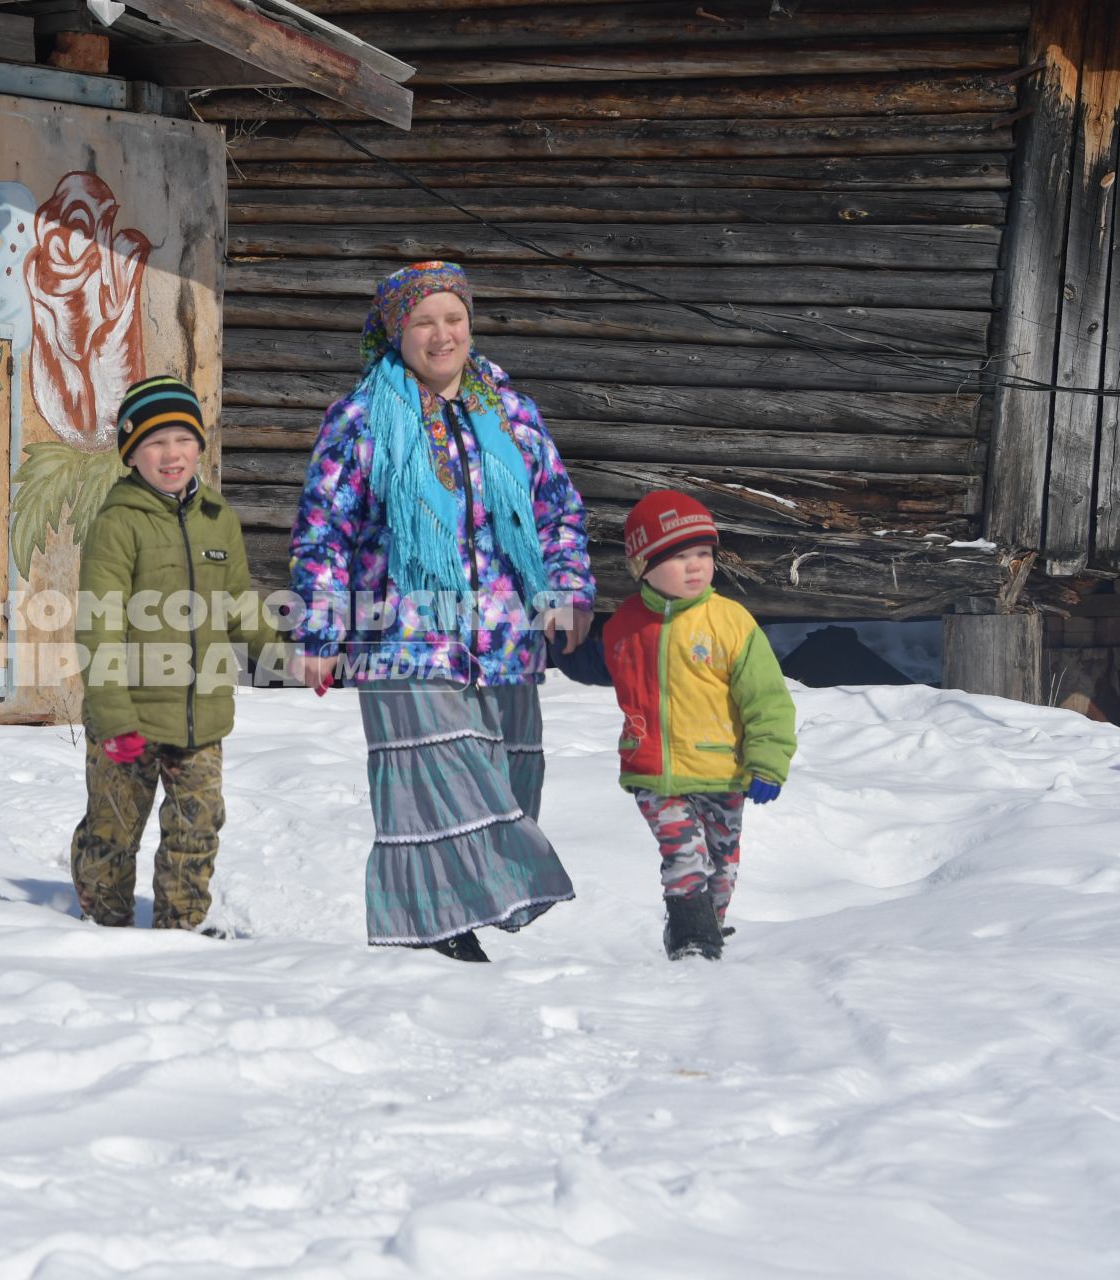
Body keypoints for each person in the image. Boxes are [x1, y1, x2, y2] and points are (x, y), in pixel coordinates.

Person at [287, 261, 596, 962]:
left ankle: (446, 919)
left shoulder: (510, 414)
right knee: (436, 781)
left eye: (453, 318)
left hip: (503, 638)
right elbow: (324, 530)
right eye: (424, 321)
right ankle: (438, 934)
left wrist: (569, 589)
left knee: (506, 781)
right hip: (402, 635)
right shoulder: (361, 418)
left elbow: (557, 513)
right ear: (397, 331)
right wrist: (318, 628)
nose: (441, 334)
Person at [554, 489, 797, 961]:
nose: (695, 566)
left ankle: (707, 928)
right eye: (680, 556)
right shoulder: (627, 623)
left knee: (722, 868)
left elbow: (767, 700)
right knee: (684, 855)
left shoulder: (731, 623)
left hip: (722, 771)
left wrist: (768, 761)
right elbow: (601, 666)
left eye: (704, 554)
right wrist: (559, 646)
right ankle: (692, 940)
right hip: (655, 772)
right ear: (642, 565)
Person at [69, 375, 273, 934]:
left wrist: (286, 655)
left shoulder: (218, 519)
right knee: (114, 831)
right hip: (129, 714)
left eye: (183, 439)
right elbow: (99, 625)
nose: (172, 454)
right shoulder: (119, 523)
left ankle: (181, 932)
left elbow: (236, 605)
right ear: (132, 454)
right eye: (156, 443)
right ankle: (99, 923)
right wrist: (112, 716)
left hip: (200, 715)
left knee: (197, 826)